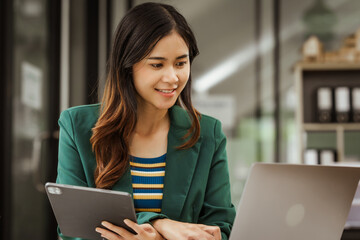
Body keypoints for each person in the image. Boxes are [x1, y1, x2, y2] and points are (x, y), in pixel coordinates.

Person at [56, 2, 236, 240]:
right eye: (157, 64)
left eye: (181, 63)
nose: (172, 77)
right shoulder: (77, 127)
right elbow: (72, 231)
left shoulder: (208, 133)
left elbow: (221, 230)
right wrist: (159, 222)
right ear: (127, 65)